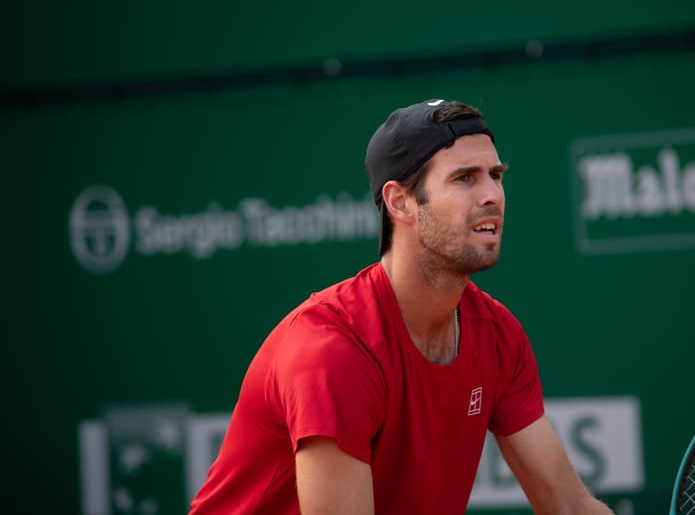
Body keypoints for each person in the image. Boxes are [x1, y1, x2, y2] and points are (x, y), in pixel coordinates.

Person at [189, 99, 613, 514]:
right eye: (465, 178)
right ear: (399, 202)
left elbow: (570, 506)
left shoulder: (497, 335)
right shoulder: (333, 350)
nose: (492, 195)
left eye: (495, 175)